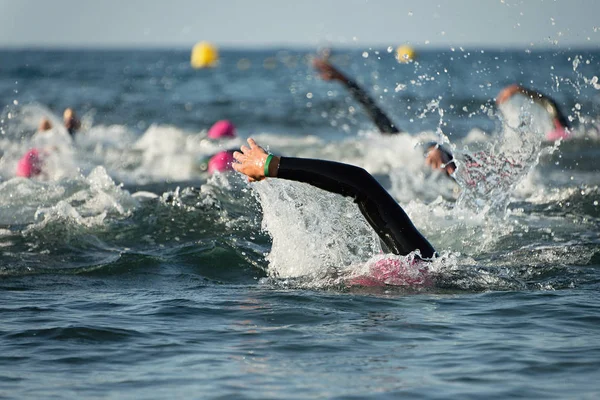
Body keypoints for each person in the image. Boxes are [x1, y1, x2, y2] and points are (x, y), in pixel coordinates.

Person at [313, 58, 570, 176]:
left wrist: (435, 148)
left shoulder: (398, 148)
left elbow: (423, 145)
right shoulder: (394, 147)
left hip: (428, 155)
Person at [232, 138, 437, 260]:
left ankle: (272, 165)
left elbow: (363, 185)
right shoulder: (423, 265)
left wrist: (273, 166)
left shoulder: (421, 267)